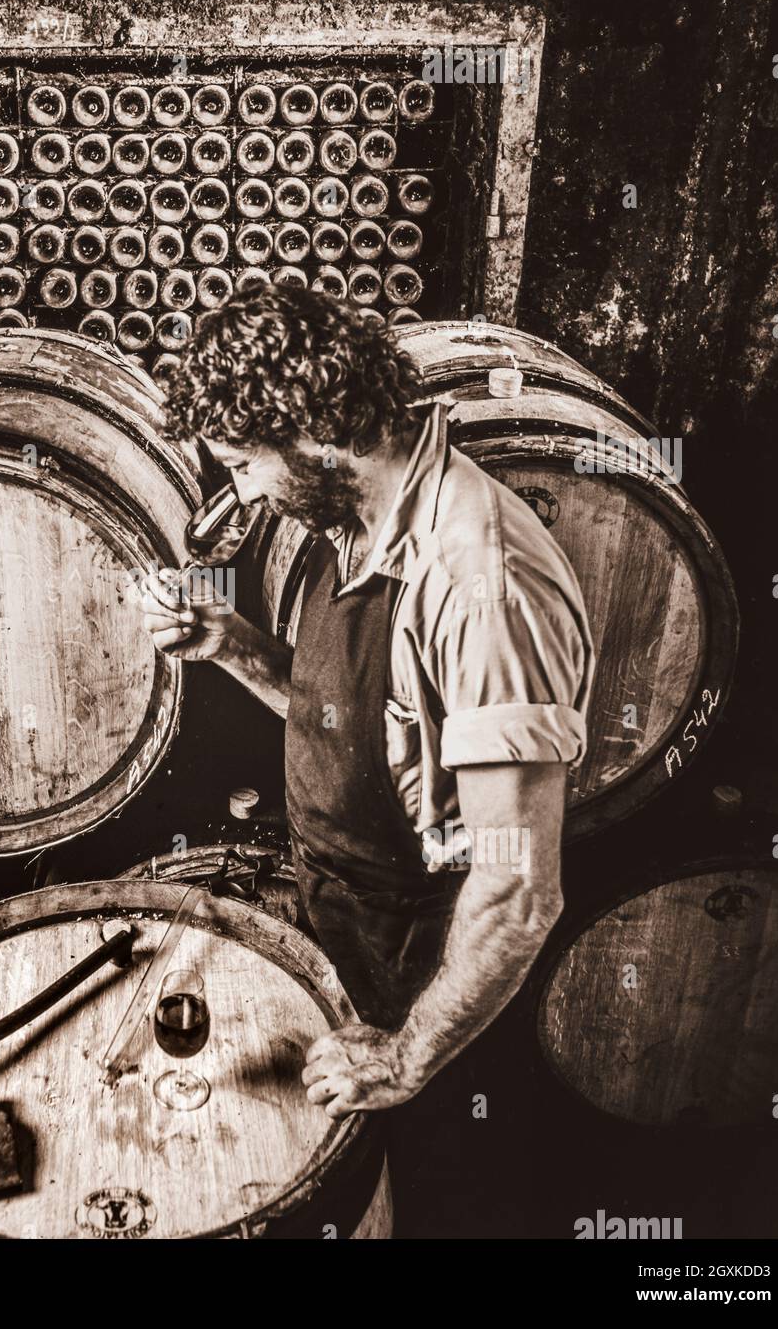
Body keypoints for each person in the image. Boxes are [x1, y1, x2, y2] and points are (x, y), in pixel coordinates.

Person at [136, 284, 596, 1127]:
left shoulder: (479, 589)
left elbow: (519, 886)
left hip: (422, 952)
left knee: (417, 1158)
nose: (240, 496)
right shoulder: (355, 519)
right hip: (341, 907)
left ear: (314, 433)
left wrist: (408, 1056)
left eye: (243, 466)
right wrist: (233, 645)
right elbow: (354, 725)